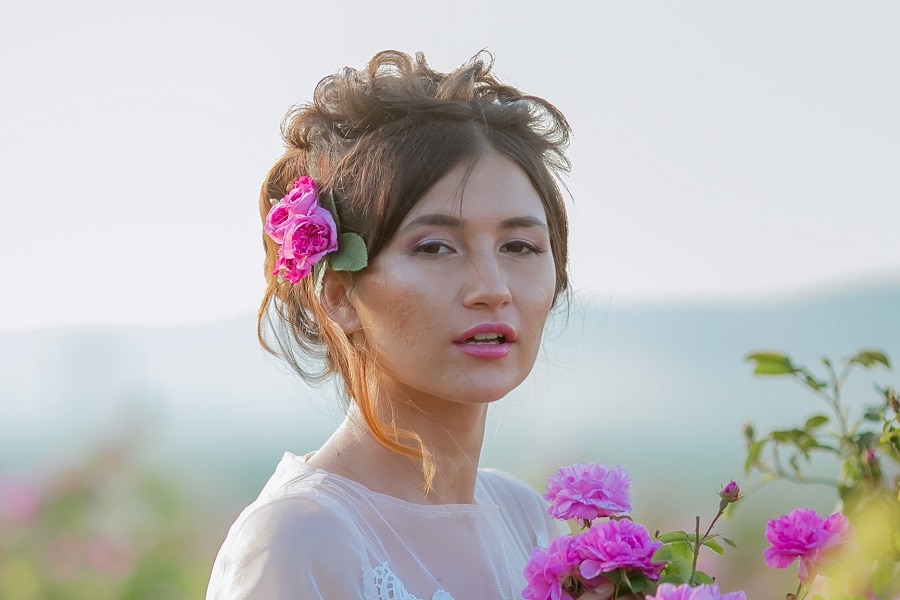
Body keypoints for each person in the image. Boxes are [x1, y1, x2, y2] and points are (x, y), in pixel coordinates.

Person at [207, 50, 618, 600]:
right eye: (434, 247)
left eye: (520, 245)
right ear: (338, 294)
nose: (492, 287)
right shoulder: (299, 539)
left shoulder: (526, 519)